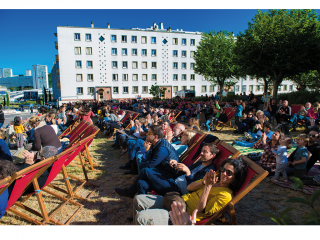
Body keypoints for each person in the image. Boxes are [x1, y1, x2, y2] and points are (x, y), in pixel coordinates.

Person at [132, 158, 248, 225]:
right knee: (138, 199)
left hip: (183, 215)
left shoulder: (225, 195)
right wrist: (202, 183)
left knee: (141, 218)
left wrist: (207, 187)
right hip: (179, 201)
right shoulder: (213, 180)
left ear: (236, 178)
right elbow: (189, 187)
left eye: (229, 173)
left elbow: (199, 210)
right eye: (223, 169)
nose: (223, 173)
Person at [114, 125, 180, 198]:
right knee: (140, 183)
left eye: (149, 133)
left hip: (168, 178)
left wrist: (147, 151)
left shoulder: (162, 149)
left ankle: (130, 192)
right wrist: (147, 151)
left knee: (145, 170)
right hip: (161, 172)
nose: (146, 134)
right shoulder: (157, 144)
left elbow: (149, 166)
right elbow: (147, 161)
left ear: (156, 137)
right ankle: (141, 203)